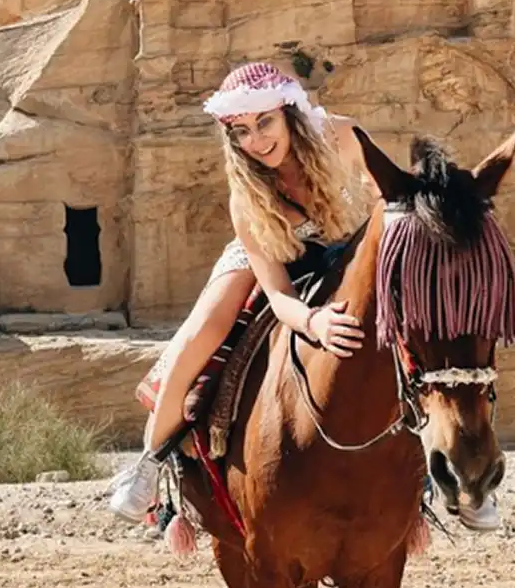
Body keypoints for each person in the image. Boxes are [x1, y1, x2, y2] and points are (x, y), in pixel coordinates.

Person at [107, 61, 379, 523]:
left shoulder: (345, 136)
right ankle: (151, 462)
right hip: (273, 254)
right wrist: (314, 321)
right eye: (241, 131)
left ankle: (458, 467)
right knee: (203, 332)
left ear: (289, 112)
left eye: (264, 122)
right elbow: (278, 292)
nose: (255, 140)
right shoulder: (246, 195)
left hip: (342, 243)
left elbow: (388, 203)